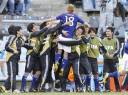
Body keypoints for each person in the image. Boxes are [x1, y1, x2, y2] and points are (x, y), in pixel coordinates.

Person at [54, 4, 84, 78]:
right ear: (73, 10)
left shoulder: (63, 15)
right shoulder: (76, 16)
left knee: (59, 51)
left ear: (67, 9)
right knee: (66, 54)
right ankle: (63, 68)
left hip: (62, 36)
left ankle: (57, 62)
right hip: (69, 37)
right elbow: (83, 22)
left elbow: (56, 21)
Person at [4, 26, 24, 93]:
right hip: (11, 58)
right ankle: (13, 90)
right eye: (21, 30)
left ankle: (4, 87)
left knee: (13, 74)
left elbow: (25, 45)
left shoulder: (20, 39)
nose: (22, 31)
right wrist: (14, 51)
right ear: (18, 31)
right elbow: (6, 47)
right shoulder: (13, 37)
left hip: (16, 59)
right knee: (12, 74)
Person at [102, 27, 120, 91]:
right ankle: (107, 89)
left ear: (112, 32)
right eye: (106, 31)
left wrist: (113, 54)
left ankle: (118, 89)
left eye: (108, 31)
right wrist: (107, 54)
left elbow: (118, 50)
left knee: (116, 75)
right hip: (106, 60)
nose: (107, 32)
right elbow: (102, 49)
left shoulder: (116, 40)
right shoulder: (103, 40)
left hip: (114, 60)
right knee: (105, 74)